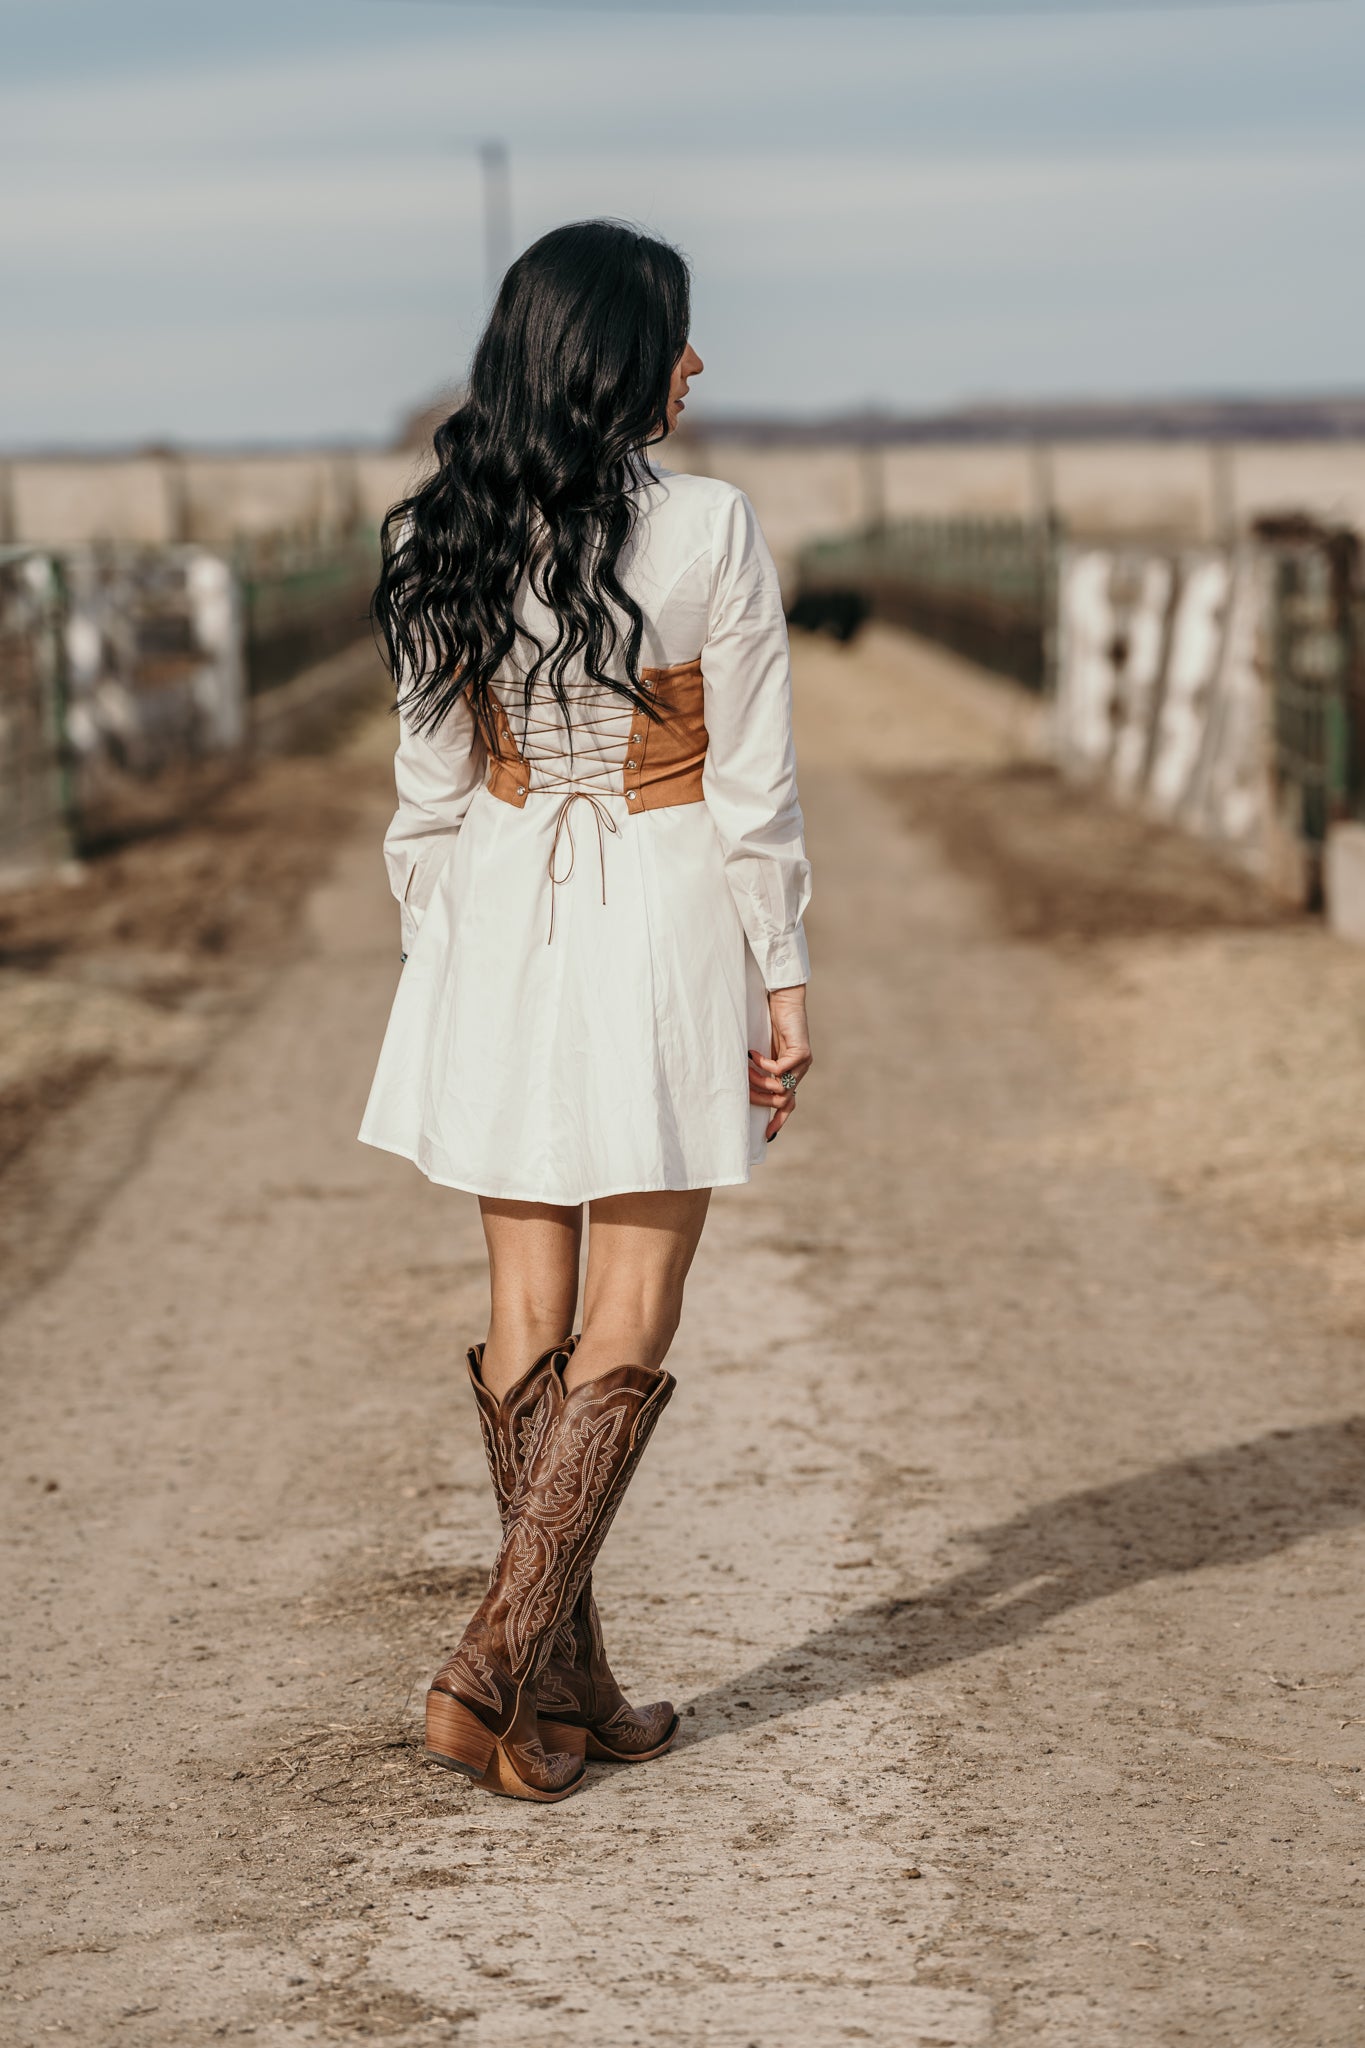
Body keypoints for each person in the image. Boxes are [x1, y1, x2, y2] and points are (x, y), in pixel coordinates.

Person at [359, 220, 812, 1803]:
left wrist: (461, 949)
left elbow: (422, 800)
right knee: (633, 1304)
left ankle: (566, 1702)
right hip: (662, 909)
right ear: (623, 356)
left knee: (524, 1309)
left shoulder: (444, 529)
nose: (699, 365)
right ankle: (491, 1659)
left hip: (494, 910)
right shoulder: (708, 527)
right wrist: (785, 969)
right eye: (681, 336)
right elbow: (750, 786)